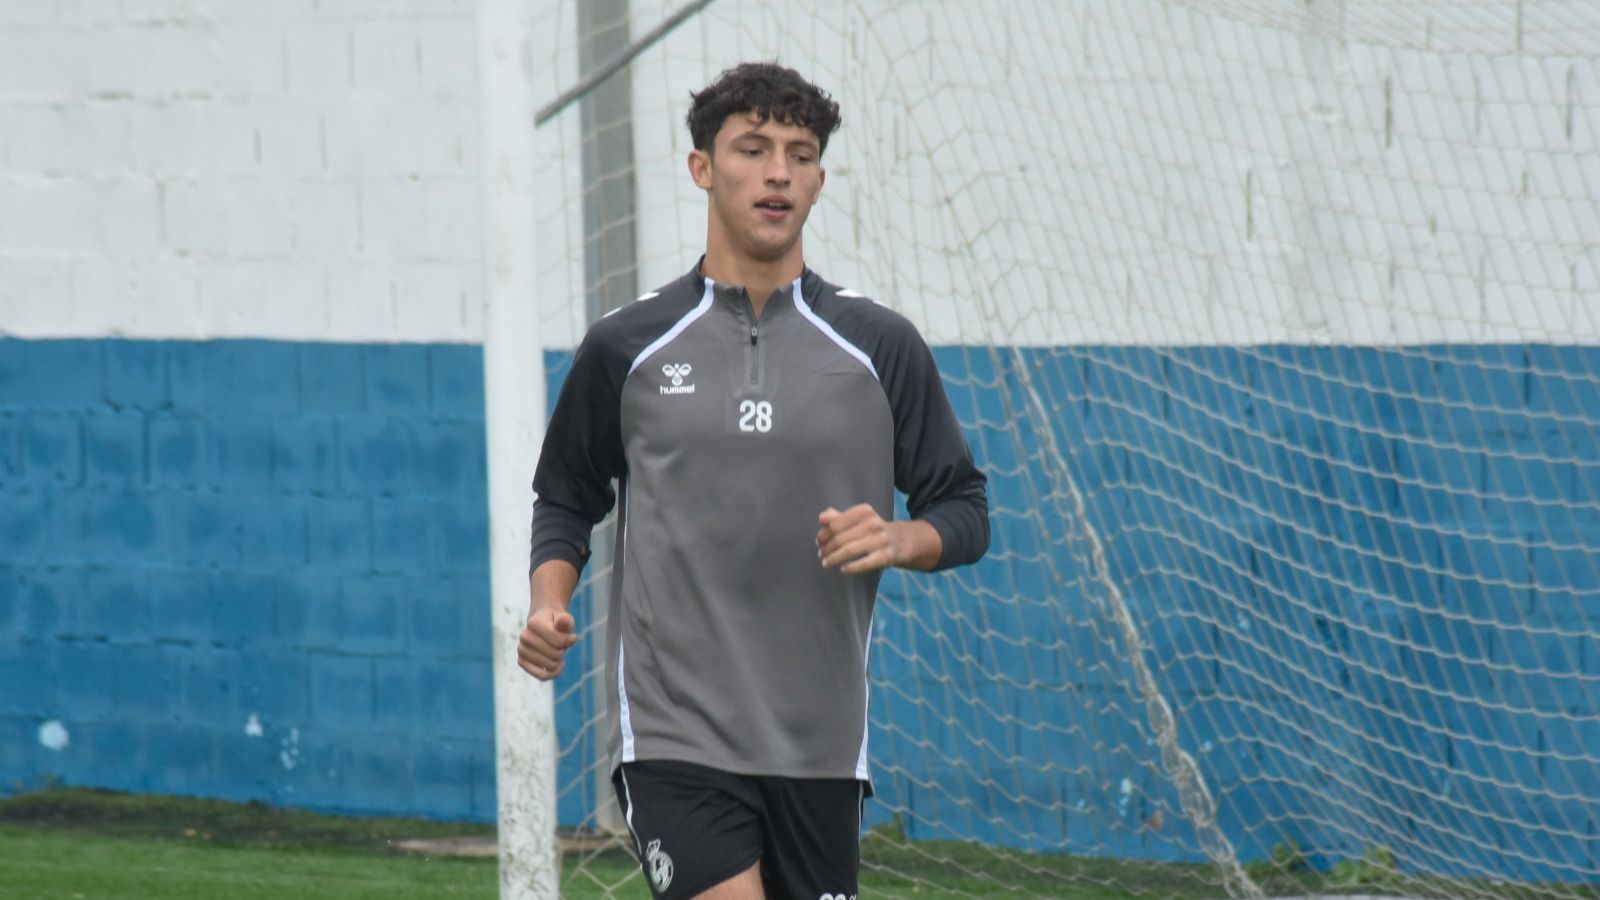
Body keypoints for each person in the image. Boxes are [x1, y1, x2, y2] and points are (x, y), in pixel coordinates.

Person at [518, 61, 989, 900]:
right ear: (703, 168)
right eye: (754, 147)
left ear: (817, 179)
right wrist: (549, 599)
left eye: (800, 153)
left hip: (821, 748)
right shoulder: (627, 348)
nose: (779, 171)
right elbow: (566, 494)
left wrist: (899, 538)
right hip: (674, 740)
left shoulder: (879, 346)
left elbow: (964, 509)